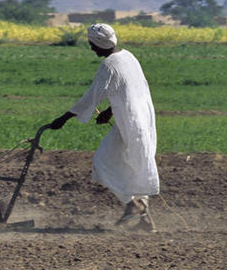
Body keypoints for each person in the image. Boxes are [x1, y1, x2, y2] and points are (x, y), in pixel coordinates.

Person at [49, 23, 160, 232]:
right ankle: (145, 221)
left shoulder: (109, 65)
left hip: (131, 122)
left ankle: (133, 204)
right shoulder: (128, 56)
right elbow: (130, 88)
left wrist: (63, 119)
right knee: (136, 165)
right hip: (139, 119)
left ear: (99, 43)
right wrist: (110, 111)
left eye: (92, 44)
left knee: (103, 162)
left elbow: (91, 97)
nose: (92, 49)